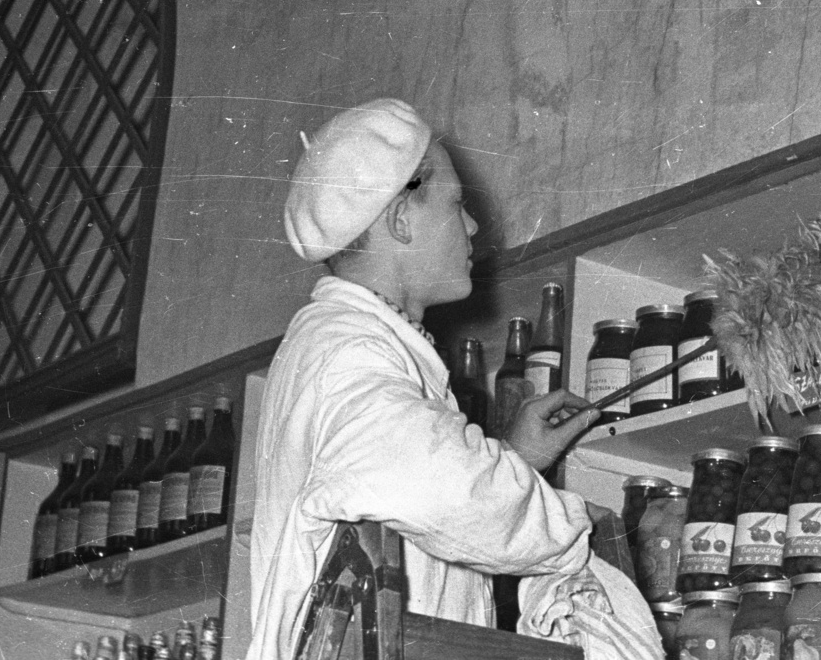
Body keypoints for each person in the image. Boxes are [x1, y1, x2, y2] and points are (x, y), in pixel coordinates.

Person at [247, 98, 602, 659]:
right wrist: (579, 531)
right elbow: (444, 492)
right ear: (400, 220)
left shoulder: (358, 345)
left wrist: (515, 458)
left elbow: (415, 486)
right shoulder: (346, 350)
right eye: (456, 204)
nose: (472, 225)